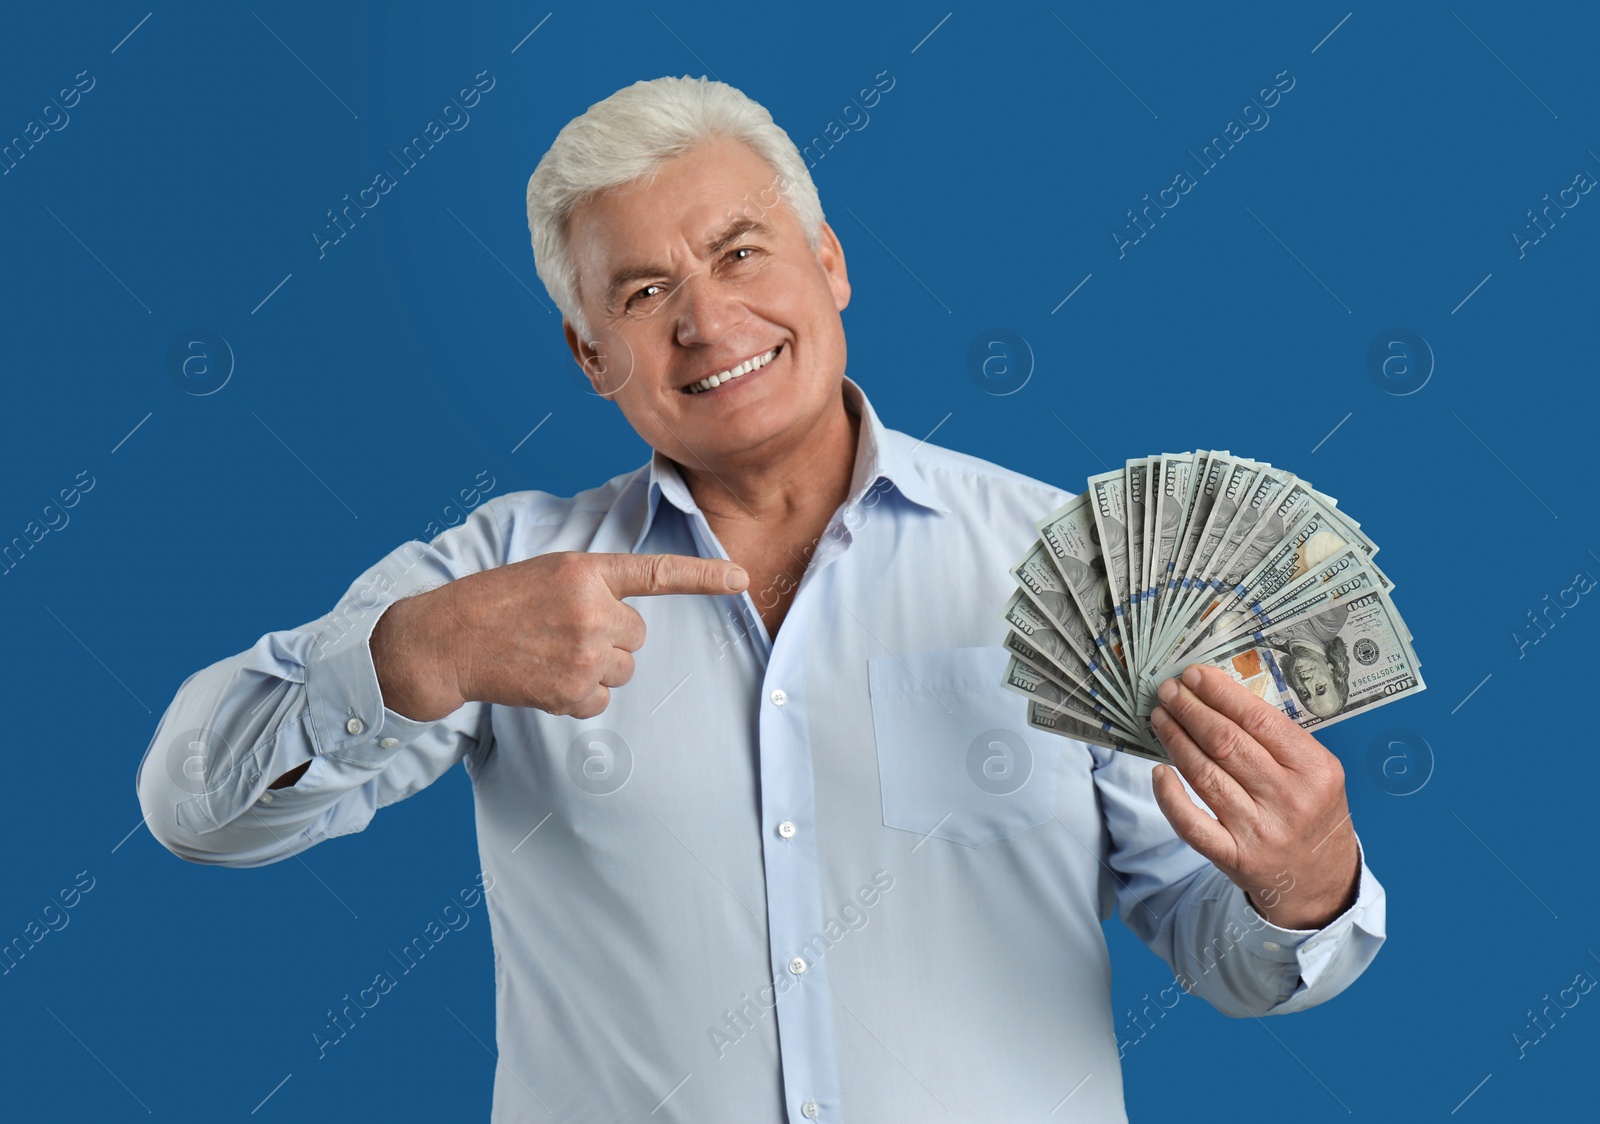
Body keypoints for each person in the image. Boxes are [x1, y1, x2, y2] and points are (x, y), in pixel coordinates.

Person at [135, 75, 1385, 1123]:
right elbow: (192, 804)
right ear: (589, 355)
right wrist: (409, 653)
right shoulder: (508, 573)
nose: (706, 318)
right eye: (640, 292)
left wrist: (1307, 882)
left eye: (740, 252)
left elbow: (1234, 958)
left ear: (828, 264)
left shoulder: (1077, 567)